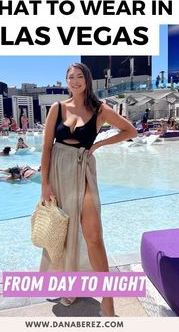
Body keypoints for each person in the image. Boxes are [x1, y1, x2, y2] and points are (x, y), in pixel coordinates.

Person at [40, 62, 137, 316]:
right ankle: (69, 287)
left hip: (83, 172)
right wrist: (45, 184)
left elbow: (130, 130)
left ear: (87, 80)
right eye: (70, 77)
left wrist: (99, 144)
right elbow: (47, 148)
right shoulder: (57, 108)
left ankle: (108, 301)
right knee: (65, 234)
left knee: (93, 235)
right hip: (59, 174)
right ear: (66, 81)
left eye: (79, 76)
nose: (74, 81)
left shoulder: (99, 109)